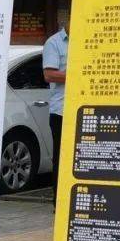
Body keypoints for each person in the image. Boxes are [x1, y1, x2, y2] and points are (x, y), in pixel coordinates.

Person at [42, 14, 69, 198]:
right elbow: (49, 75)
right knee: (61, 158)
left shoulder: (88, 40)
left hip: (84, 110)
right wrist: (81, 74)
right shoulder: (54, 42)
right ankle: (58, 202)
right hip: (61, 111)